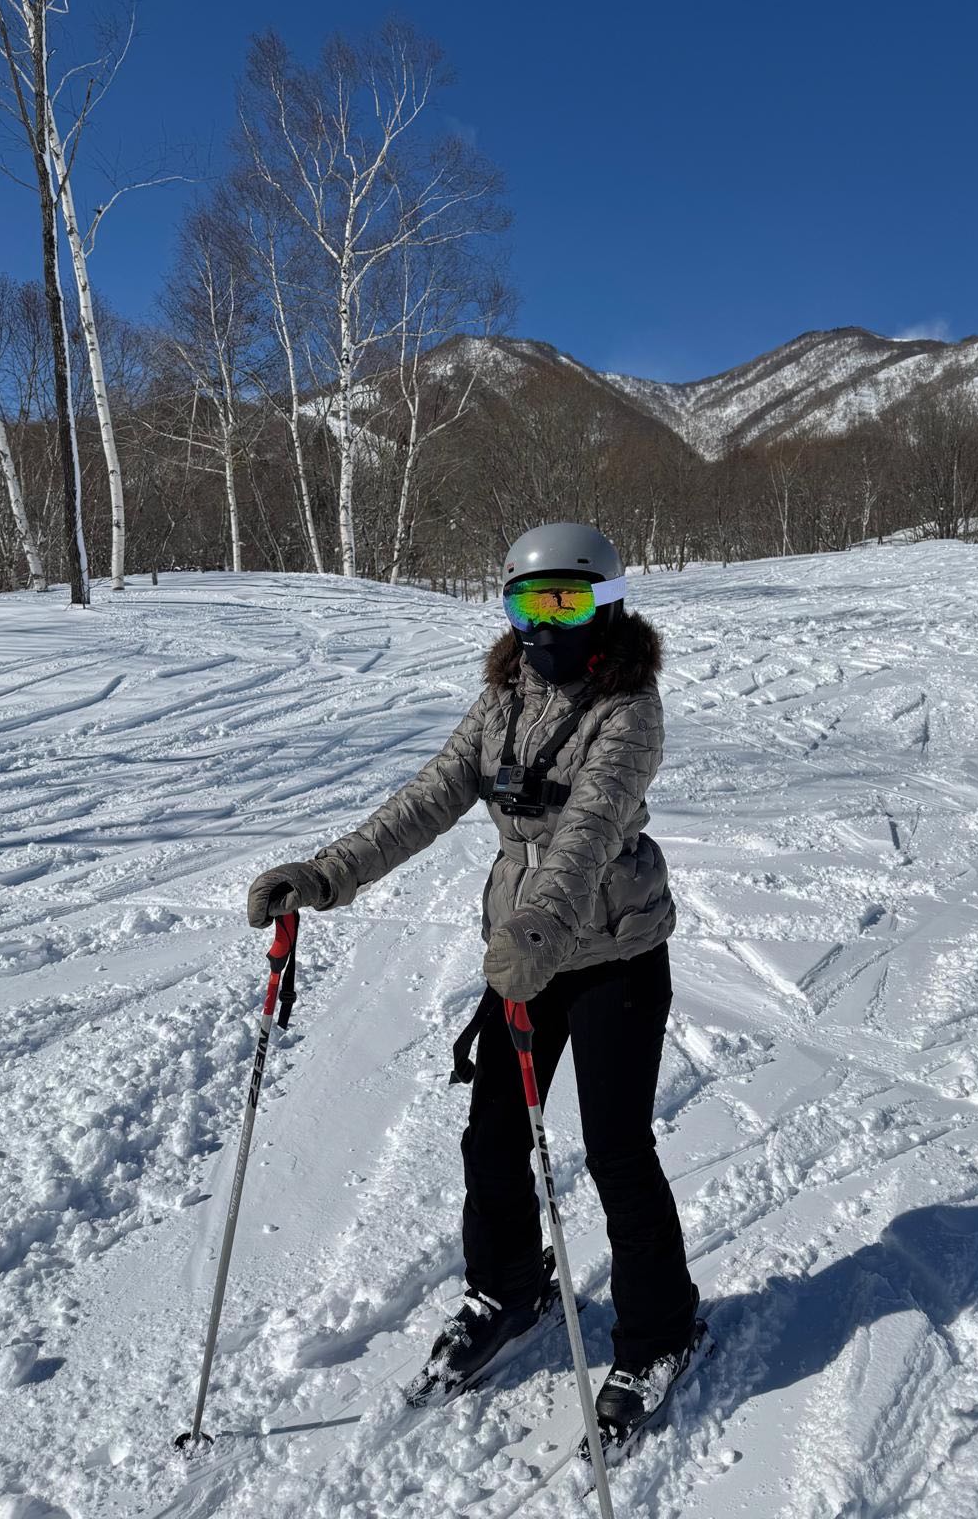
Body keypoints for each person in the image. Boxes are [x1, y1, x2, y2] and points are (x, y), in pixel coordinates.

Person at [247, 522, 701, 1441]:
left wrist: (539, 923)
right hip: (519, 955)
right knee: (492, 1136)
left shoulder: (628, 708)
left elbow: (591, 831)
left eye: (565, 601)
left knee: (616, 1151)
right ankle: (509, 1287)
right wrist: (326, 874)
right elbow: (429, 795)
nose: (544, 622)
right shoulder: (501, 698)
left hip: (610, 950)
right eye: (526, 601)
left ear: (605, 605)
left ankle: (658, 1329)